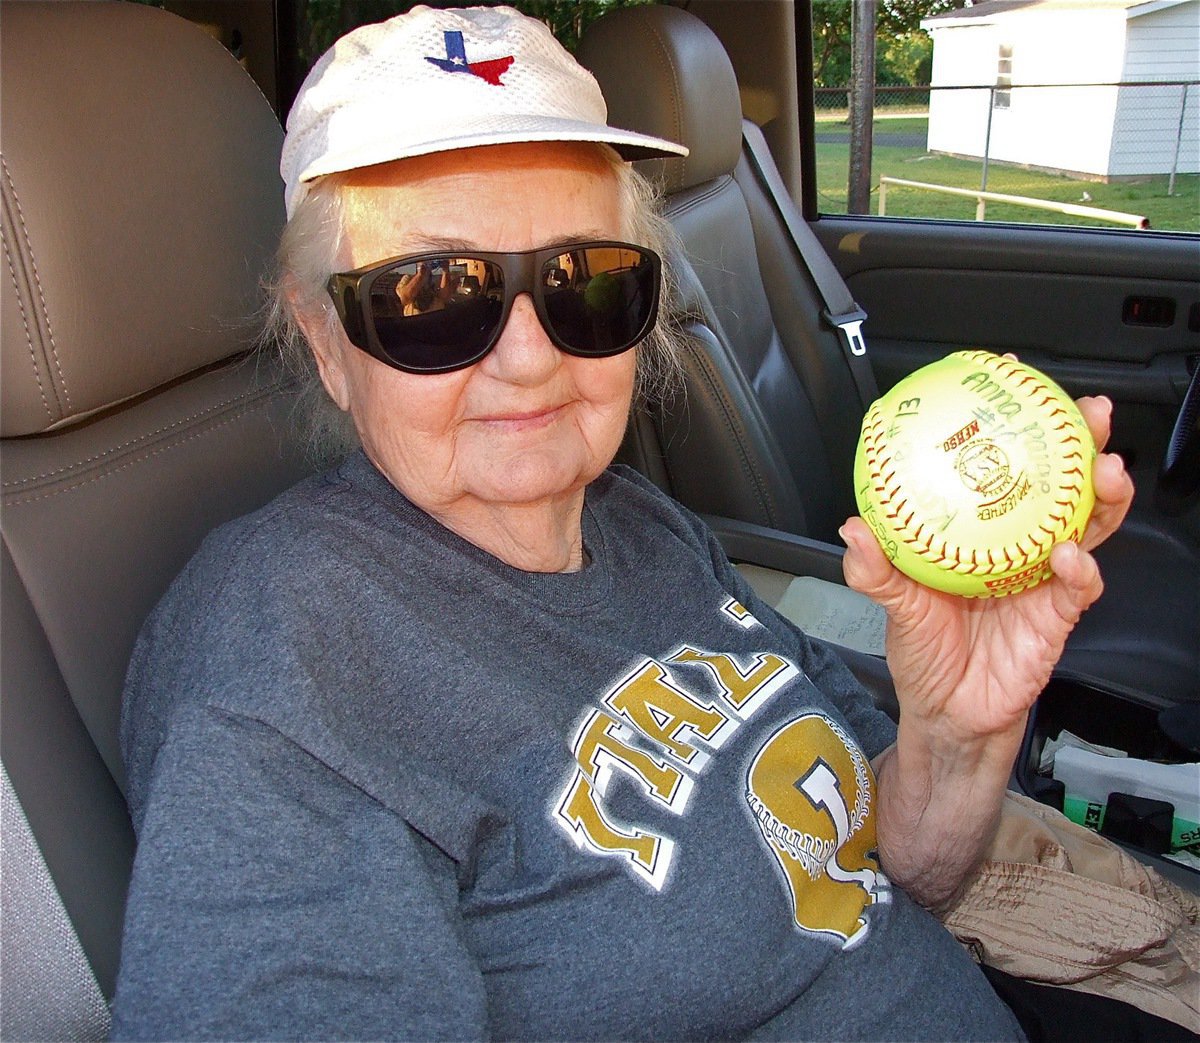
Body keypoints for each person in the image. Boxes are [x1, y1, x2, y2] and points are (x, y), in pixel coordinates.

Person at [110, 6, 1137, 1041]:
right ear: (325, 340)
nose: (530, 358)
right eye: (431, 293)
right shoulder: (283, 655)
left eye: (587, 281)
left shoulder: (636, 520)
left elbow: (892, 872)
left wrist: (961, 730)